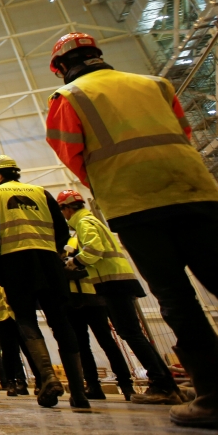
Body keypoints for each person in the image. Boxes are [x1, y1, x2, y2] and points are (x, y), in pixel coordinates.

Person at [46, 31, 218, 427]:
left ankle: (213, 394)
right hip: (196, 188)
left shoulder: (68, 98)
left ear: (61, 69)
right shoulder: (155, 84)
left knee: (177, 298)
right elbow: (184, 132)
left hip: (135, 201)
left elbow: (70, 152)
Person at [0, 154, 89, 409]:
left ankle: (48, 376)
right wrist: (53, 253)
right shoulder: (42, 192)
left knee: (26, 319)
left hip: (15, 262)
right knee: (60, 320)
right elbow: (62, 230)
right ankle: (78, 392)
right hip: (48, 261)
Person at [58, 189, 180, 403]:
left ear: (66, 208)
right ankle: (166, 383)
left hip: (113, 282)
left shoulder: (85, 223)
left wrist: (73, 263)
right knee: (131, 333)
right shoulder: (90, 222)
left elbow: (94, 250)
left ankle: (162, 384)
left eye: (63, 211)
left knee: (131, 334)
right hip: (115, 282)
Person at [61, 229, 133, 401]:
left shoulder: (73, 241)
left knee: (94, 343)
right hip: (89, 297)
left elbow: (72, 267)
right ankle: (114, 385)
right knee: (98, 343)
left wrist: (65, 268)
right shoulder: (76, 240)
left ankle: (117, 384)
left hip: (82, 297)